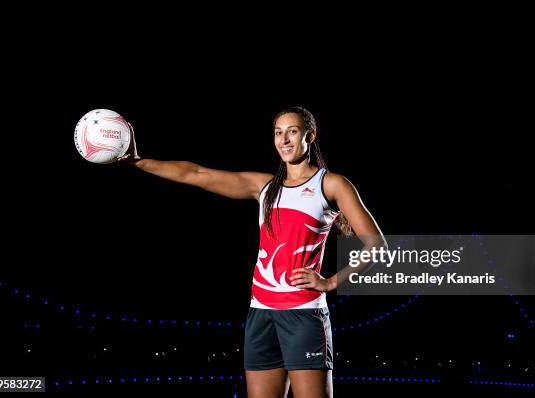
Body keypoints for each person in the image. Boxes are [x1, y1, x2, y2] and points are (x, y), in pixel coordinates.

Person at [120, 106, 385, 398]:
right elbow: (196, 173)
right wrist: (138, 162)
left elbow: (376, 245)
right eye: (277, 132)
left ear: (310, 135)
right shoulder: (265, 187)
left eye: (292, 131)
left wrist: (331, 282)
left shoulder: (330, 184)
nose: (283, 139)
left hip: (303, 315)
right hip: (261, 313)